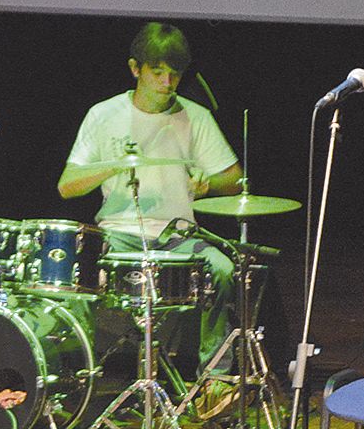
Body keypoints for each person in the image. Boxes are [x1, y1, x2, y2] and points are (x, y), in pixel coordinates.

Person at [56, 22, 242, 382]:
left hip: (179, 236)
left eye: (175, 74)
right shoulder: (103, 115)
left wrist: (208, 184)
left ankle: (215, 383)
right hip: (118, 234)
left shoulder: (195, 117)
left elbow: (234, 179)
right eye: (158, 72)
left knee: (221, 268)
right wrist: (114, 165)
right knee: (76, 272)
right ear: (135, 69)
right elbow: (67, 186)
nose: (167, 83)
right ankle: (79, 378)